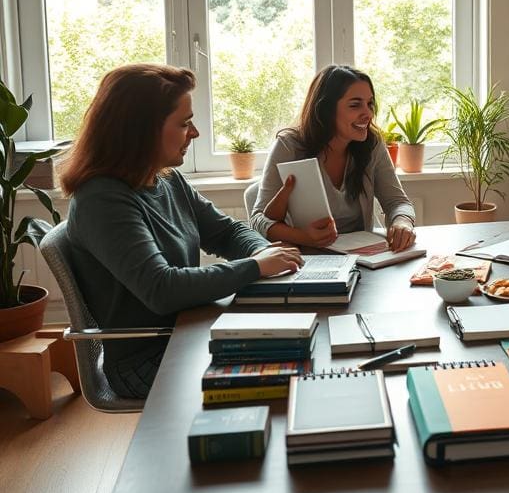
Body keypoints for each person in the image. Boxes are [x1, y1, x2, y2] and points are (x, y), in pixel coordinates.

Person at [61, 64, 302, 399]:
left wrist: (263, 252)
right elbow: (162, 289)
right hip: (147, 359)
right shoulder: (102, 200)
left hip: (187, 333)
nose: (195, 133)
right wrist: (256, 266)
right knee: (294, 370)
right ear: (142, 130)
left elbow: (226, 232)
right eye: (184, 123)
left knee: (301, 349)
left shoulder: (166, 179)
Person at [251, 65, 416, 251]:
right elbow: (258, 220)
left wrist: (403, 222)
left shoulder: (372, 144)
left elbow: (397, 202)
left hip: (362, 257)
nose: (368, 114)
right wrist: (305, 238)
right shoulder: (289, 146)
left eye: (370, 104)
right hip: (306, 258)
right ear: (326, 109)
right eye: (355, 105)